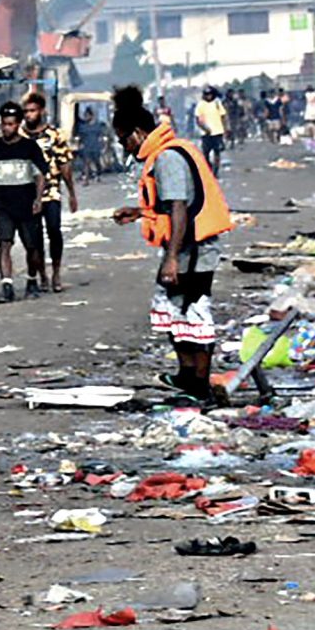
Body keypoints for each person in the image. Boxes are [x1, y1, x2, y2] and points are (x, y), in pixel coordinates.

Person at [109, 84, 233, 405]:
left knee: (193, 311)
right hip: (185, 247)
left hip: (194, 250)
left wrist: (172, 259)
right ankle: (186, 376)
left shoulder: (167, 157)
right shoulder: (167, 151)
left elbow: (179, 207)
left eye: (124, 139)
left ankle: (199, 384)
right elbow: (169, 204)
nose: (124, 146)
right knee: (173, 309)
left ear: (137, 132)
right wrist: (139, 212)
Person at [0, 101, 50, 302]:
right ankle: (7, 286)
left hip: (27, 205)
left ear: (18, 124)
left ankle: (32, 280)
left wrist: (38, 199)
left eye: (11, 124)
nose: (7, 128)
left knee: (32, 247)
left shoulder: (30, 147)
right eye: (4, 124)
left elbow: (40, 176)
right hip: (3, 206)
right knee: (4, 245)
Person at [23, 90, 80, 292]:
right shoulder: (20, 137)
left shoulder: (54, 136)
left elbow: (64, 164)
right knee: (34, 237)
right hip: (27, 194)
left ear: (41, 111)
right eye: (26, 111)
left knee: (54, 230)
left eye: (32, 110)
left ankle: (56, 272)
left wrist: (72, 193)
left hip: (52, 191)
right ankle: (42, 275)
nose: (29, 115)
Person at [193, 86, 230, 175]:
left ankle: (215, 171)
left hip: (217, 131)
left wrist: (226, 128)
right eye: (206, 94)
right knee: (205, 153)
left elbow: (223, 116)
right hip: (206, 133)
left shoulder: (217, 103)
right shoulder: (200, 105)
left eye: (210, 94)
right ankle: (209, 168)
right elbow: (197, 119)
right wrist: (204, 128)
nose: (208, 96)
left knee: (217, 152)